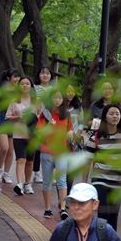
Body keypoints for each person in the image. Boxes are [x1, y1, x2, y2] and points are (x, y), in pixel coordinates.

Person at [83, 104, 121, 231]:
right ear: (105, 117)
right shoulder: (96, 136)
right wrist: (84, 183)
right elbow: (87, 161)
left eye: (117, 114)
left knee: (113, 215)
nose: (115, 116)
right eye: (111, 114)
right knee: (103, 213)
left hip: (118, 181)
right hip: (99, 179)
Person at [37, 89, 73, 220]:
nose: (57, 100)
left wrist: (70, 134)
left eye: (59, 98)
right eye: (54, 97)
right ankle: (47, 208)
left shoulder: (66, 115)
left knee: (62, 180)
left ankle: (62, 208)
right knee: (47, 181)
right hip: (47, 151)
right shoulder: (45, 114)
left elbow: (70, 130)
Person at [6, 76, 38, 196]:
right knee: (21, 159)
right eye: (22, 84)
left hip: (32, 136)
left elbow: (42, 117)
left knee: (30, 161)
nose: (25, 86)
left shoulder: (36, 102)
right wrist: (18, 117)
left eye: (27, 84)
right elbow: (8, 116)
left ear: (31, 87)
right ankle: (19, 184)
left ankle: (27, 183)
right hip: (18, 134)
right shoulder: (15, 101)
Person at [0, 70, 20, 184]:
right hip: (2, 119)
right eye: (15, 77)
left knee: (11, 150)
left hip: (14, 122)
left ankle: (6, 173)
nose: (17, 79)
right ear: (9, 78)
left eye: (18, 77)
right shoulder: (2, 90)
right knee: (4, 147)